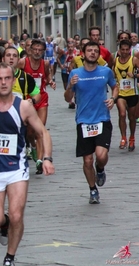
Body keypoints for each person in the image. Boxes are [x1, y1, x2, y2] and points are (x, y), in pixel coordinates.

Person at [0, 63, 54, 266]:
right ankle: (3, 225)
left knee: (16, 215)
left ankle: (10, 257)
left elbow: (43, 132)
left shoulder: (23, 106)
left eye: (7, 78)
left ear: (13, 80)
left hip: (17, 169)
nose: (4, 82)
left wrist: (47, 158)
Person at [64, 41, 118, 204]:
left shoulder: (106, 71)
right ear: (83, 53)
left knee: (101, 156)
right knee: (87, 160)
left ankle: (100, 169)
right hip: (83, 121)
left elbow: (115, 87)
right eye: (90, 50)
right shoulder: (75, 73)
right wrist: (70, 87)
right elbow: (67, 98)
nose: (93, 53)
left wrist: (113, 99)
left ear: (99, 54)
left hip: (102, 119)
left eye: (96, 51)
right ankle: (93, 189)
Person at [17, 39, 56, 174]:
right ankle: (33, 146)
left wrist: (50, 81)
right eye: (35, 49)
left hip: (41, 99)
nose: (37, 52)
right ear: (30, 50)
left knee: (40, 129)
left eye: (40, 50)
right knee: (29, 132)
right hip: (27, 100)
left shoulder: (45, 63)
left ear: (43, 51)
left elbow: (47, 75)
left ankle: (39, 161)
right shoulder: (23, 63)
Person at [113, 39, 139, 151]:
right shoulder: (115, 61)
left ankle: (132, 137)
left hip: (132, 92)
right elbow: (112, 73)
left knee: (132, 117)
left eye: (127, 50)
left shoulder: (134, 60)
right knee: (122, 114)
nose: (124, 52)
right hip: (121, 93)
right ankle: (123, 137)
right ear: (119, 50)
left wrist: (134, 75)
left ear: (130, 50)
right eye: (122, 49)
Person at [57, 40, 79, 109]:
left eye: (72, 47)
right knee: (66, 86)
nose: (70, 48)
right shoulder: (64, 52)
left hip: (73, 71)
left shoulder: (77, 52)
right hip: (64, 71)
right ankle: (70, 100)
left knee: (75, 85)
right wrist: (61, 65)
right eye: (69, 47)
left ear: (74, 47)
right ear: (67, 47)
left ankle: (73, 100)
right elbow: (57, 58)